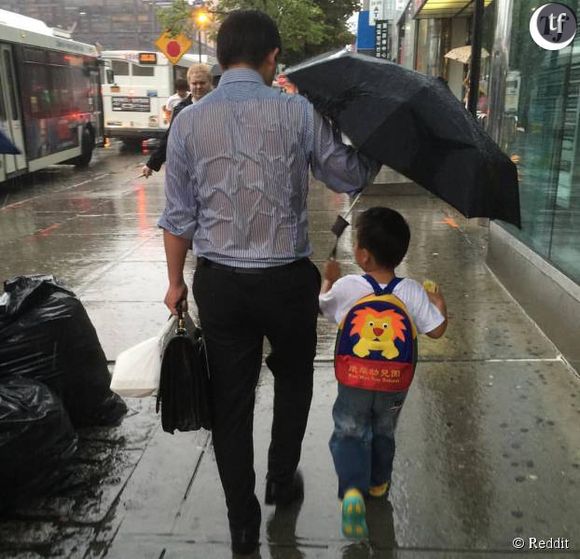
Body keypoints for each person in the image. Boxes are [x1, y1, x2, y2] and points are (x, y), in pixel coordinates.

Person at [159, 10, 379, 556]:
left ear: (219, 56)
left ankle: (241, 520)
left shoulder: (187, 121)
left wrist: (173, 283)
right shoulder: (300, 112)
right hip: (286, 284)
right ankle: (282, 477)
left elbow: (177, 217)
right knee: (294, 380)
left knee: (229, 400)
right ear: (272, 57)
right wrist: (368, 139)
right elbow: (348, 175)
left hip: (222, 286)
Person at [319, 207, 448, 540]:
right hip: (393, 384)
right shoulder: (413, 292)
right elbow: (436, 331)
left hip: (354, 379)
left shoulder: (348, 286)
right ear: (400, 253)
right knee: (384, 430)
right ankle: (377, 484)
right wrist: (439, 303)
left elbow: (322, 306)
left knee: (349, 429)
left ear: (362, 255)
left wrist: (328, 279)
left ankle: (351, 491)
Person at [141, 64, 212, 178]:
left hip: (214, 169)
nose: (198, 86)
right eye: (194, 83)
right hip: (188, 170)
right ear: (189, 84)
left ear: (210, 83)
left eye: (202, 83)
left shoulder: (220, 107)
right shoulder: (181, 109)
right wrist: (152, 164)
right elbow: (169, 138)